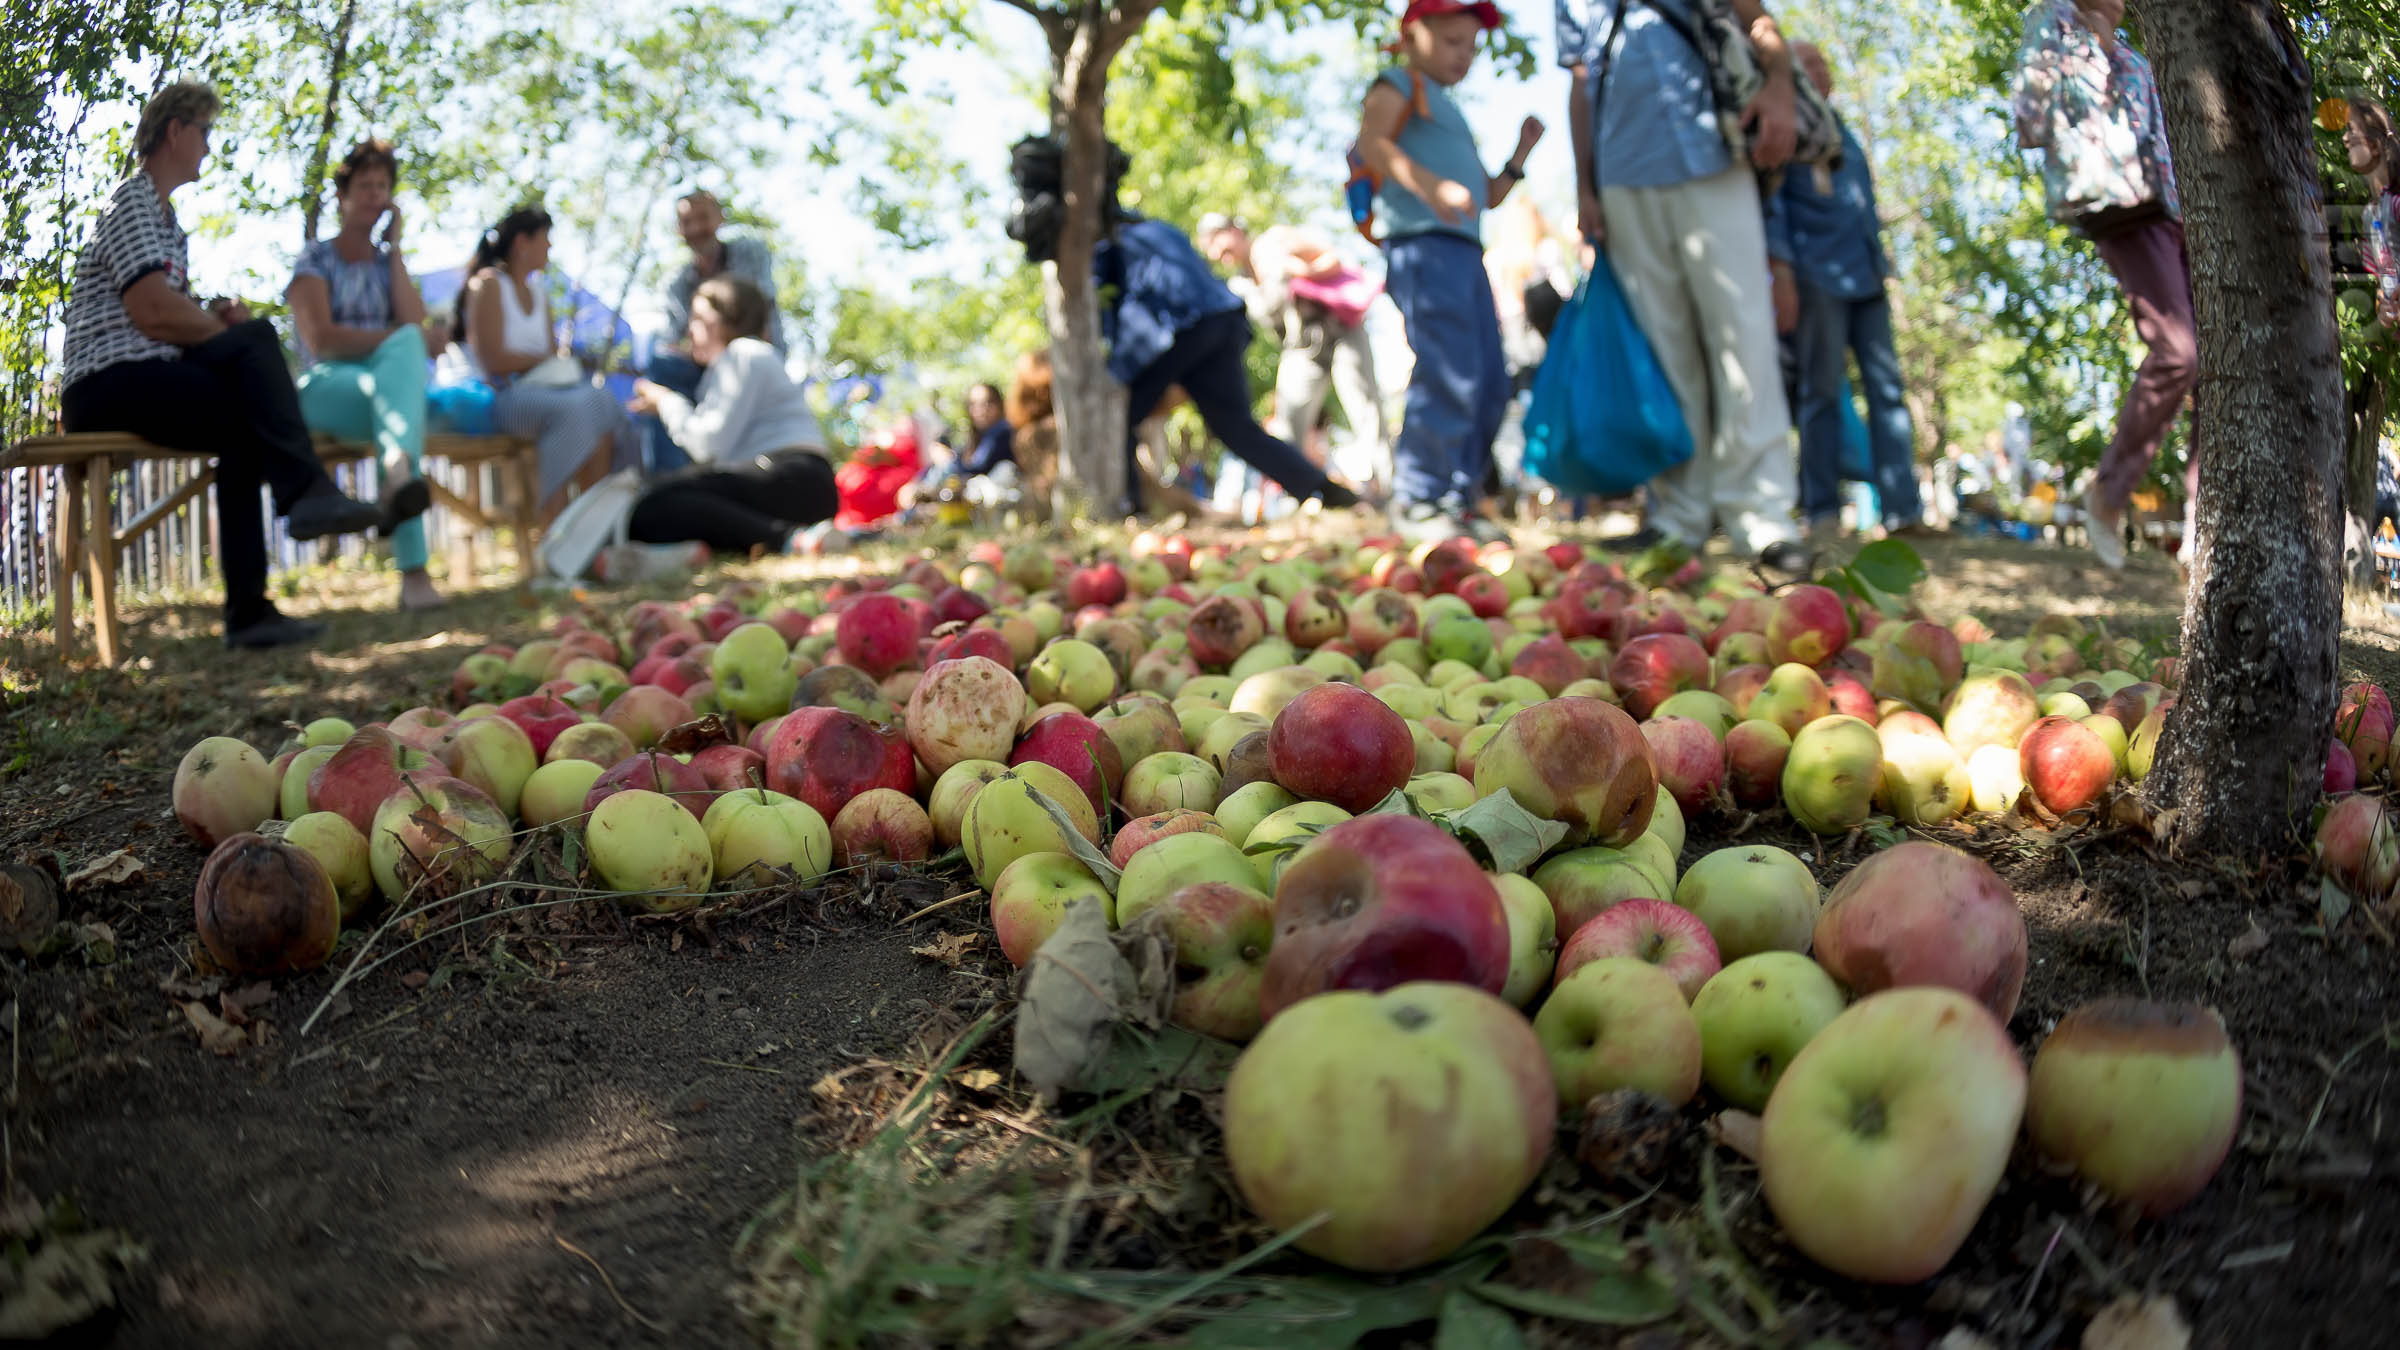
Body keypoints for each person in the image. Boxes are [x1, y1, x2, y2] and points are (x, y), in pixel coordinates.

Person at [56, 81, 425, 649]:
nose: (208, 148)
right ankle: (307, 493)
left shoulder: (167, 223)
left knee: (245, 429)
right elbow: (153, 311)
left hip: (148, 376)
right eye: (204, 133)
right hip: (105, 385)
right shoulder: (131, 201)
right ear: (175, 131)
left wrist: (209, 318)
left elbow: (162, 314)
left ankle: (250, 614)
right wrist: (233, 334)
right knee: (254, 340)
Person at [1558, 0, 1811, 575]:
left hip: (1712, 154)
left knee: (1743, 334)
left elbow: (1755, 19)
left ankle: (1763, 518)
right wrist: (1585, 185)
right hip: (1622, 175)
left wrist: (1779, 86)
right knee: (1662, 351)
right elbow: (1580, 80)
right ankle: (1678, 517)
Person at [1356, 0, 1544, 542]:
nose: (1466, 56)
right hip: (1424, 244)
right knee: (1449, 365)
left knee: (1487, 376)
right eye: (1453, 41)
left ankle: (1457, 500)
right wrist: (1429, 185)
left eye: (1473, 46)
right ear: (1414, 33)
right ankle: (1418, 495)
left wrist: (1519, 155)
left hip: (1465, 250)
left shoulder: (1450, 109)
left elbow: (1485, 196)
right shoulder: (1399, 83)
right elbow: (1373, 142)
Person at [2013, 0, 2191, 572]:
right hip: (2118, 205)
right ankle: (2109, 492)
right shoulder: (2053, 22)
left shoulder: (2139, 55)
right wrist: (2088, 43)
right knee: (2179, 353)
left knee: (2215, 362)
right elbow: (2031, 121)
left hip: (2176, 210)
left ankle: (2204, 521)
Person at [1764, 43, 1928, 542]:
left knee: (1887, 390)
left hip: (1867, 277)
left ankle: (1902, 510)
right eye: (1806, 64)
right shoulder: (1784, 127)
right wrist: (1784, 277)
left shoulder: (1844, 131)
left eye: (1822, 64)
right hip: (1817, 277)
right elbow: (1774, 207)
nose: (1817, 71)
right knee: (1820, 392)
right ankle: (1821, 509)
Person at [1092, 215, 1360, 518]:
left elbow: (1105, 305)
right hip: (1223, 319)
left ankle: (1129, 507)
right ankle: (1326, 490)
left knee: (1119, 416)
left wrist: (1118, 367)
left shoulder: (1106, 243)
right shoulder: (1162, 229)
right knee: (1237, 428)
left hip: (1177, 325)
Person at [287, 138, 447, 612]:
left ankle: (398, 473)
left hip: (382, 397)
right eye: (365, 186)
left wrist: (394, 247)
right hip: (324, 388)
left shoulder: (385, 265)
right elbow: (322, 340)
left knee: (397, 421)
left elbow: (412, 323)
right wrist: (396, 340)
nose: (375, 195)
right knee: (402, 385)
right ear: (343, 194)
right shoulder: (314, 258)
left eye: (383, 186)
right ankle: (414, 573)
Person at [621, 275, 835, 555]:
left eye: (698, 318)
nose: (689, 329)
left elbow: (708, 445)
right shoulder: (732, 363)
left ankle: (787, 539)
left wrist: (666, 401)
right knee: (656, 509)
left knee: (656, 504)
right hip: (799, 484)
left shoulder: (743, 352)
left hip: (792, 477)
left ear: (727, 319)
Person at [454, 206, 636, 525]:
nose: (550, 247)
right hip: (501, 400)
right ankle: (552, 525)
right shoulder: (488, 285)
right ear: (522, 242)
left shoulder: (539, 293)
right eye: (545, 239)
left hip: (547, 392)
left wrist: (547, 362)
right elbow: (493, 360)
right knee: (573, 411)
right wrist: (541, 361)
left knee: (602, 403)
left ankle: (594, 531)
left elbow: (549, 359)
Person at [1198, 214, 1390, 498]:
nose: (1216, 253)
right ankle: (1297, 495)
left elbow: (1332, 258)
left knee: (1365, 409)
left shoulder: (1274, 241)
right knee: (1288, 423)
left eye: (1216, 240)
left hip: (1338, 331)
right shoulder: (1239, 283)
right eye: (1209, 248)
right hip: (1300, 347)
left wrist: (1299, 271)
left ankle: (1391, 492)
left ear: (1235, 230)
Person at [641, 191, 783, 474]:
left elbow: (757, 318)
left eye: (702, 218)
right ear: (678, 229)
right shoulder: (677, 284)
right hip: (707, 370)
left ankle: (679, 483)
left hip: (747, 362)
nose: (695, 228)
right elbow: (671, 344)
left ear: (720, 218)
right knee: (661, 367)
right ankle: (671, 480)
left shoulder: (749, 252)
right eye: (686, 221)